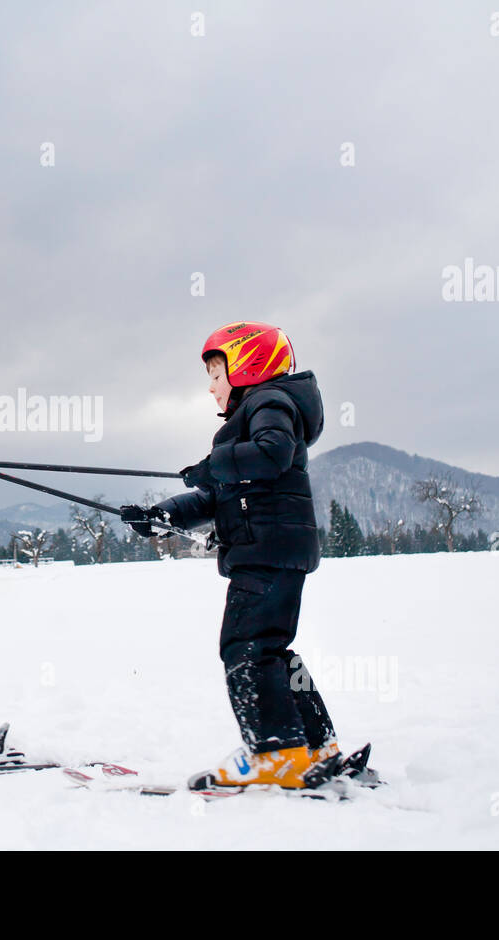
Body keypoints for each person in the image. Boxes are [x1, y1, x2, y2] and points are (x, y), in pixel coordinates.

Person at [120, 321, 340, 790]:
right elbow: (216, 497)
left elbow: (272, 454)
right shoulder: (259, 414)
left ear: (247, 367)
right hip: (278, 549)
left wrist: (211, 464)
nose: (211, 389)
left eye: (216, 376)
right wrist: (161, 516)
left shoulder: (269, 403)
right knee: (272, 649)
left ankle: (276, 751)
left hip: (265, 552)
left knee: (245, 648)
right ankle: (316, 744)